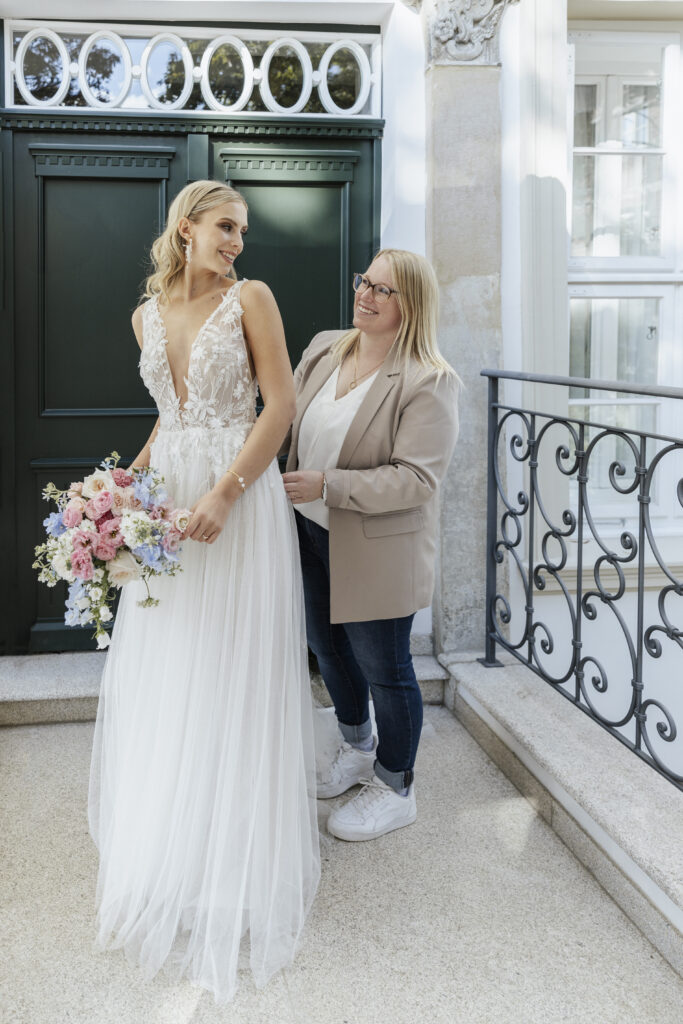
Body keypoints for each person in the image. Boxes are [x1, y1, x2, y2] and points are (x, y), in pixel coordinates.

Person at [88, 181, 320, 1004]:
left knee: (235, 670)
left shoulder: (251, 298)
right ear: (185, 228)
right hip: (167, 509)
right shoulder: (144, 316)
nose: (236, 242)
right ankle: (175, 844)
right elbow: (169, 420)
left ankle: (238, 857)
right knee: (175, 669)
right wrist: (116, 494)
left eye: (242, 231)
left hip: (237, 502)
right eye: (225, 227)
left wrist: (225, 493)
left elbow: (280, 405)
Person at [282, 249, 459, 843]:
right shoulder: (326, 347)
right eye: (365, 281)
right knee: (328, 649)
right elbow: (287, 423)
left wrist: (329, 485)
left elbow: (417, 479)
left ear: (412, 305)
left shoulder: (429, 380)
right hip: (308, 530)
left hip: (378, 549)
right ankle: (358, 748)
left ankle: (395, 784)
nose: (365, 294)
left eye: (384, 290)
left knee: (386, 668)